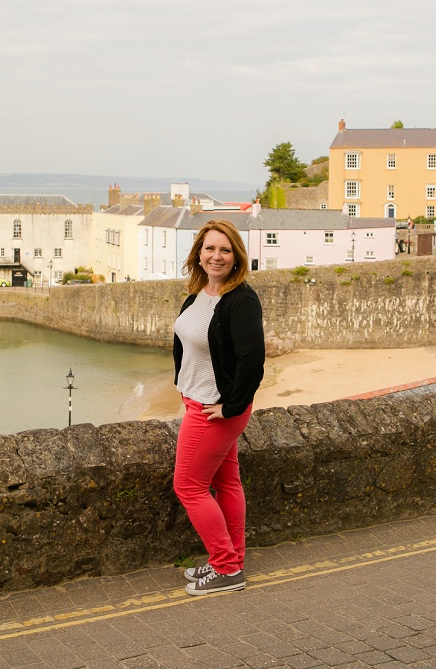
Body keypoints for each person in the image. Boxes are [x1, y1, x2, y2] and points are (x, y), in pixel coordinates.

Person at [172, 219, 265, 596]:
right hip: (198, 400)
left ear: (236, 256)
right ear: (198, 253)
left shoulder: (240, 300)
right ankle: (232, 560)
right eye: (210, 248)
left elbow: (252, 360)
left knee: (189, 486)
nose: (216, 256)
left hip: (214, 409)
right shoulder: (199, 295)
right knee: (226, 482)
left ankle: (226, 568)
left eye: (225, 250)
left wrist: (231, 407)